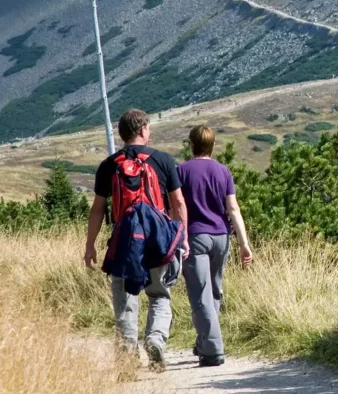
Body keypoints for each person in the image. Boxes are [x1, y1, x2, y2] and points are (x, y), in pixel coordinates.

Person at [84, 108, 188, 370]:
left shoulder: (109, 165)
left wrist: (90, 246)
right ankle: (155, 340)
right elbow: (178, 202)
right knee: (159, 294)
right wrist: (182, 237)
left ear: (122, 134)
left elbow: (98, 209)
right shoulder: (163, 160)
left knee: (125, 299)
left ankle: (127, 356)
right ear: (143, 130)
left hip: (124, 239)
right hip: (158, 238)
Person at [178, 124, 253, 367]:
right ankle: (204, 341)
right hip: (222, 236)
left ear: (191, 145)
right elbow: (233, 209)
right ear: (212, 145)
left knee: (201, 294)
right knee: (214, 292)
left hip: (196, 236)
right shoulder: (223, 171)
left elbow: (176, 208)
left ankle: (213, 350)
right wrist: (244, 243)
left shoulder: (182, 171)